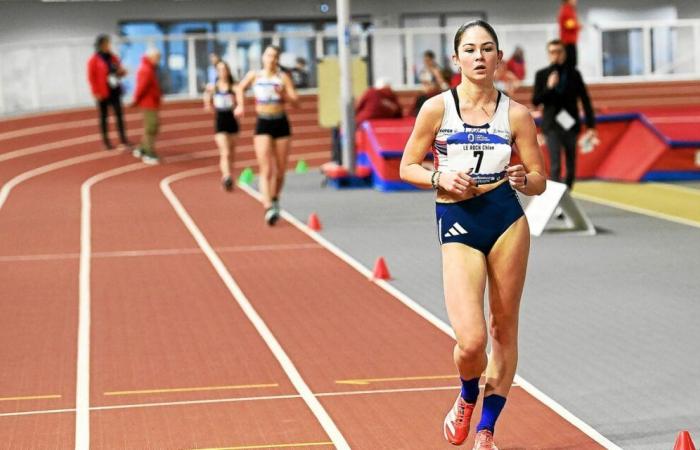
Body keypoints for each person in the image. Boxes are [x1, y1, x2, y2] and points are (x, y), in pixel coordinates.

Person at [399, 20, 546, 449]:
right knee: (472, 341)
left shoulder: (517, 115)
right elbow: (406, 165)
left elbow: (540, 179)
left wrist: (524, 177)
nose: (479, 57)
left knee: (504, 331)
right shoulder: (436, 108)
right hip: (458, 220)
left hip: (506, 219)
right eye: (470, 49)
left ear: (499, 57)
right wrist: (438, 177)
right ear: (456, 58)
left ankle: (486, 429)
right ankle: (466, 395)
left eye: (487, 49)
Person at [237, 45, 299, 225]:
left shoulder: (283, 78)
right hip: (263, 122)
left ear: (278, 59)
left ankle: (274, 198)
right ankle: (268, 206)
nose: (271, 59)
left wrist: (285, 95)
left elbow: (296, 102)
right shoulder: (255, 76)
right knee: (266, 169)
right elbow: (240, 88)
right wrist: (240, 105)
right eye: (268, 55)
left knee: (280, 170)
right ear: (263, 57)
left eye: (274, 56)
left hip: (280, 122)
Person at [532, 39, 596, 189]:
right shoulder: (542, 75)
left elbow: (585, 99)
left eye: (559, 52)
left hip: (570, 123)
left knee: (571, 164)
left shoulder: (574, 74)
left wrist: (591, 125)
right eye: (553, 52)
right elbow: (536, 101)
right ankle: (557, 202)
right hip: (552, 125)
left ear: (564, 53)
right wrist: (549, 87)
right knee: (555, 164)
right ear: (548, 54)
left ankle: (568, 194)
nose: (556, 55)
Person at [204, 61, 244, 191]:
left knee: (231, 152)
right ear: (217, 72)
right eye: (220, 70)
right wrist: (208, 103)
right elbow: (207, 101)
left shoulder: (234, 86)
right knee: (225, 152)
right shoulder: (213, 87)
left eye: (224, 69)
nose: (223, 72)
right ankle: (226, 176)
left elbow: (240, 100)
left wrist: (239, 106)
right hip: (220, 120)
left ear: (228, 71)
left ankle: (229, 175)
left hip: (232, 120)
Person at [87, 34, 130, 151]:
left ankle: (123, 139)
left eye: (109, 44)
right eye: (107, 43)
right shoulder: (94, 60)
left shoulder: (113, 58)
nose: (109, 46)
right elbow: (91, 78)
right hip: (103, 92)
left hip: (115, 90)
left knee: (119, 116)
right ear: (101, 45)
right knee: (104, 117)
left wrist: (122, 72)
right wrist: (95, 92)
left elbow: (119, 71)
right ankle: (106, 142)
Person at [131, 47, 162, 165]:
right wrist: (136, 100)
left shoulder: (149, 68)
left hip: (151, 102)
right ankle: (149, 153)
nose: (159, 60)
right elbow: (141, 87)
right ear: (151, 57)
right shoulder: (146, 70)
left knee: (150, 127)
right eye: (157, 57)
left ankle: (142, 148)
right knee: (151, 128)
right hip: (148, 103)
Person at [558, 0, 581, 68]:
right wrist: (578, 26)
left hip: (570, 41)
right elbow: (569, 25)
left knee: (571, 64)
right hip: (568, 42)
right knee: (570, 64)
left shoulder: (569, 10)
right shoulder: (566, 11)